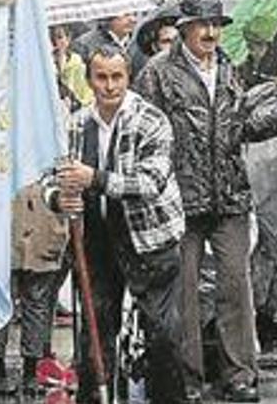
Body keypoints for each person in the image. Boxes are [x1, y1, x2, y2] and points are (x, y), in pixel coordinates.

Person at [134, 0, 277, 403]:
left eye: (216, 25)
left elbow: (245, 125)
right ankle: (187, 378)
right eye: (202, 24)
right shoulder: (157, 73)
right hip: (180, 198)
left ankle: (239, 375)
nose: (210, 32)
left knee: (236, 288)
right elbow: (143, 131)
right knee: (184, 293)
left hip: (230, 195)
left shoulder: (229, 69)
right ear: (184, 29)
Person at [52, 44, 188, 403]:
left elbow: (149, 183)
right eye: (101, 77)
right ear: (89, 80)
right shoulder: (76, 124)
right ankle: (95, 397)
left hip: (150, 238)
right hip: (97, 240)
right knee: (94, 333)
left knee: (161, 335)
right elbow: (55, 177)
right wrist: (59, 197)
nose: (109, 86)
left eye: (117, 77)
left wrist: (93, 178)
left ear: (128, 78)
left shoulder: (152, 120)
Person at [0, 183, 70, 398]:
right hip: (6, 228)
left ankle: (29, 369)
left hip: (41, 226)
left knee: (32, 304)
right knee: (2, 303)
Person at [51, 25, 92, 106]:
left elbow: (83, 88)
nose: (59, 42)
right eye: (54, 38)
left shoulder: (76, 60)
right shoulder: (47, 62)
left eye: (61, 37)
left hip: (75, 104)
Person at [72, 11, 138, 60]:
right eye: (126, 15)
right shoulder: (83, 44)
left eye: (134, 14)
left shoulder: (138, 44)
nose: (133, 20)